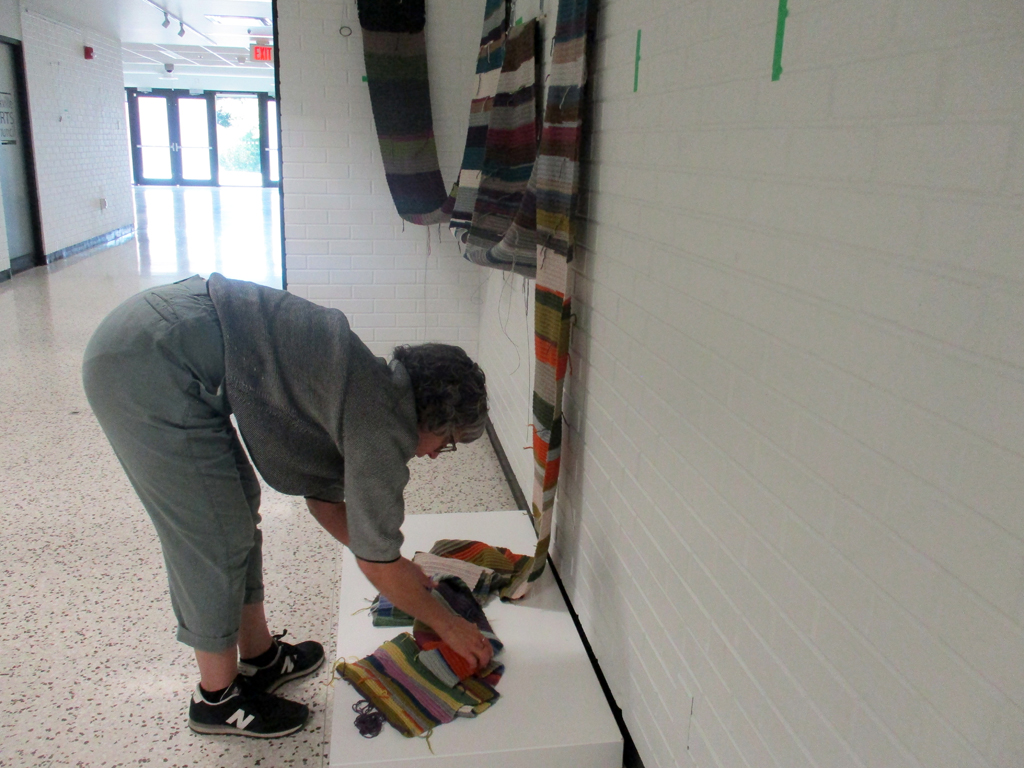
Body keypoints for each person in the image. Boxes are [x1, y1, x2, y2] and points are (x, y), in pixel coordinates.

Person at [82, 273, 494, 738]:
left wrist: (400, 569)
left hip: (163, 329)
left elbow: (327, 504)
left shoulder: (371, 383)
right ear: (431, 416)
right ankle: (216, 700)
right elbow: (375, 560)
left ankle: (261, 658)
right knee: (213, 538)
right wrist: (449, 623)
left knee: (237, 512)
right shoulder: (382, 425)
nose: (438, 454)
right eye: (448, 440)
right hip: (147, 360)